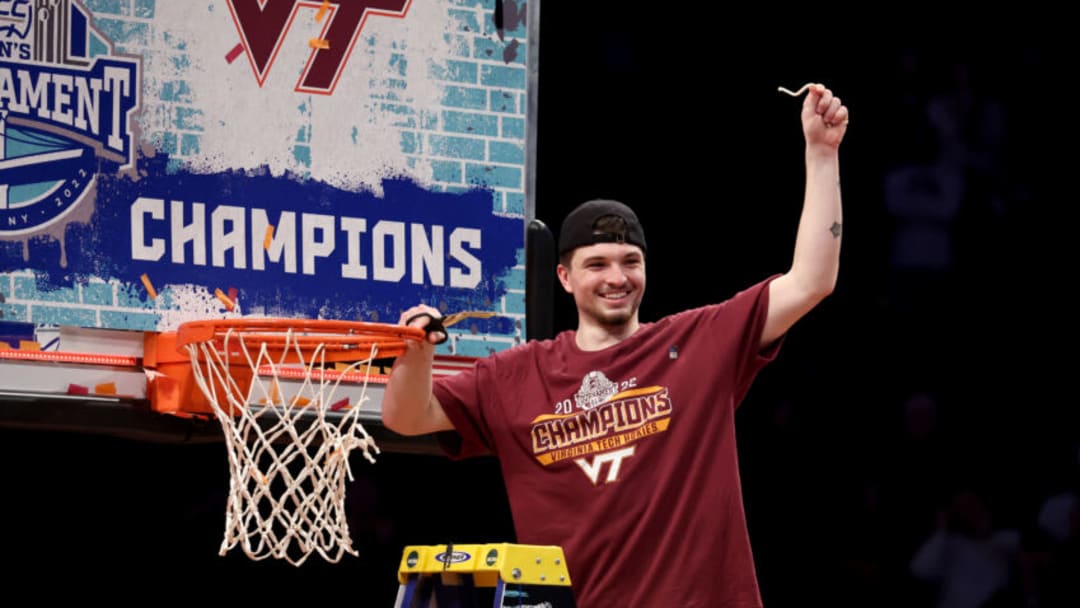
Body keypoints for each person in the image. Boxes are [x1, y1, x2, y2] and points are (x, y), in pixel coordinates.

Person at [382, 82, 848, 607]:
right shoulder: (516, 375)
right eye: (597, 264)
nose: (616, 277)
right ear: (564, 277)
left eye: (630, 262)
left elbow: (812, 280)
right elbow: (408, 418)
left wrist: (822, 152)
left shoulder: (698, 341)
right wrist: (416, 353)